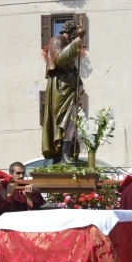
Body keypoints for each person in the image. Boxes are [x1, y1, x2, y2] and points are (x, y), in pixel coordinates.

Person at [42, 20, 86, 163]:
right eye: (77, 31)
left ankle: (66, 153)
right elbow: (59, 60)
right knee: (64, 121)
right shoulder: (57, 40)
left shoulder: (67, 44)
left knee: (71, 121)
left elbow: (71, 68)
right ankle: (62, 155)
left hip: (69, 88)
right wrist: (75, 44)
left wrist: (79, 83)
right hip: (60, 88)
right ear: (71, 30)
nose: (78, 34)